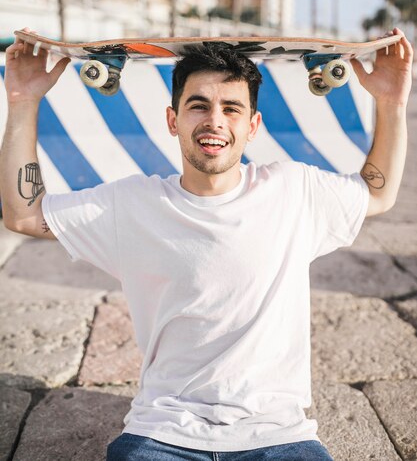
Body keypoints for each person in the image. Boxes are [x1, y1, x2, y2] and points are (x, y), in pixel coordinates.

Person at [0, 27, 413, 461]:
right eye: (198, 105)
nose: (214, 120)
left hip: (277, 435)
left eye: (231, 109)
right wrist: (22, 101)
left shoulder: (295, 191)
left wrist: (391, 102)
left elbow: (378, 193)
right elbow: (24, 214)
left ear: (252, 126)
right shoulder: (131, 204)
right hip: (160, 435)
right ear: (172, 120)